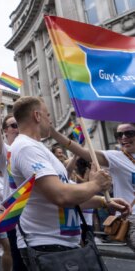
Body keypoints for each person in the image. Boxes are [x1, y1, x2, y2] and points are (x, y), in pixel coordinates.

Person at [9, 96, 131, 269]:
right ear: (37, 116)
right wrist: (96, 184)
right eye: (48, 114)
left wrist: (104, 201)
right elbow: (61, 195)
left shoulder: (39, 148)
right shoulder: (26, 147)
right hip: (47, 245)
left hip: (62, 246)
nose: (50, 119)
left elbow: (72, 197)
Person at [50, 122, 135, 251]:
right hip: (131, 217)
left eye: (129, 133)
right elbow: (82, 151)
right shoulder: (117, 157)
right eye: (119, 135)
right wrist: (54, 132)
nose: (123, 137)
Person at [0, 83, 26, 271]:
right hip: (16, 217)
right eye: (12, 125)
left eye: (20, 124)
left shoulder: (33, 149)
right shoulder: (6, 153)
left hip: (38, 218)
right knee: (19, 263)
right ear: (5, 131)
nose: (17, 128)